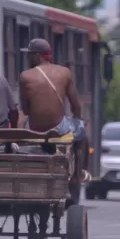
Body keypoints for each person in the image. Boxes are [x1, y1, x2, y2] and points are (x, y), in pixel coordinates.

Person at [18, 38, 90, 182]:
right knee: (83, 136)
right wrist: (77, 121)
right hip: (59, 128)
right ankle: (78, 174)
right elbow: (76, 105)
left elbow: (26, 110)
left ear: (37, 55)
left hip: (35, 129)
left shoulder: (25, 76)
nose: (27, 57)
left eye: (29, 54)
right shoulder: (64, 72)